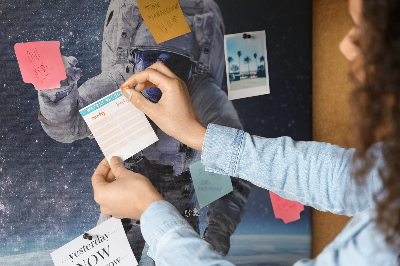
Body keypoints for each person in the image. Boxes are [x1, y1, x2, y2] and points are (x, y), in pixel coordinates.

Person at [91, 0, 400, 264]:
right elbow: (342, 176)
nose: (346, 46)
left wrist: (151, 210)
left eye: (367, 28)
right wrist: (199, 135)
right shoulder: (390, 174)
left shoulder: (383, 247)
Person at [37, 0, 253, 262]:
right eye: (149, 61)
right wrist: (57, 88)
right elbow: (67, 125)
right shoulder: (127, 80)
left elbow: (238, 165)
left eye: (172, 65)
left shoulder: (201, 92)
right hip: (141, 200)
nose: (156, 73)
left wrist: (216, 236)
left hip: (154, 198)